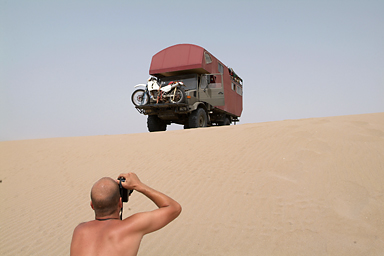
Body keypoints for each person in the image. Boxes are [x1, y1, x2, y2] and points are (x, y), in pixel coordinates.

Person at [70, 172, 182, 256]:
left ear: (92, 205)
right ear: (120, 202)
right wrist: (138, 185)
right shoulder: (131, 227)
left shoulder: (79, 231)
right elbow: (174, 208)